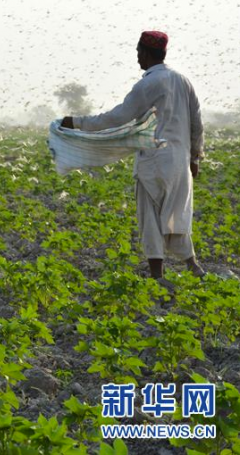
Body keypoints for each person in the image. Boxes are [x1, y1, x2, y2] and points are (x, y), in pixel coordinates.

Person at [61, 31, 205, 282]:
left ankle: (157, 276)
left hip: (153, 161)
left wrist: (76, 122)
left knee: (150, 217)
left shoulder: (147, 84)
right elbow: (197, 122)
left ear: (147, 53)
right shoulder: (183, 80)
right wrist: (195, 157)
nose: (137, 57)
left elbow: (117, 117)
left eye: (139, 52)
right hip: (180, 164)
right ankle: (193, 266)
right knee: (175, 213)